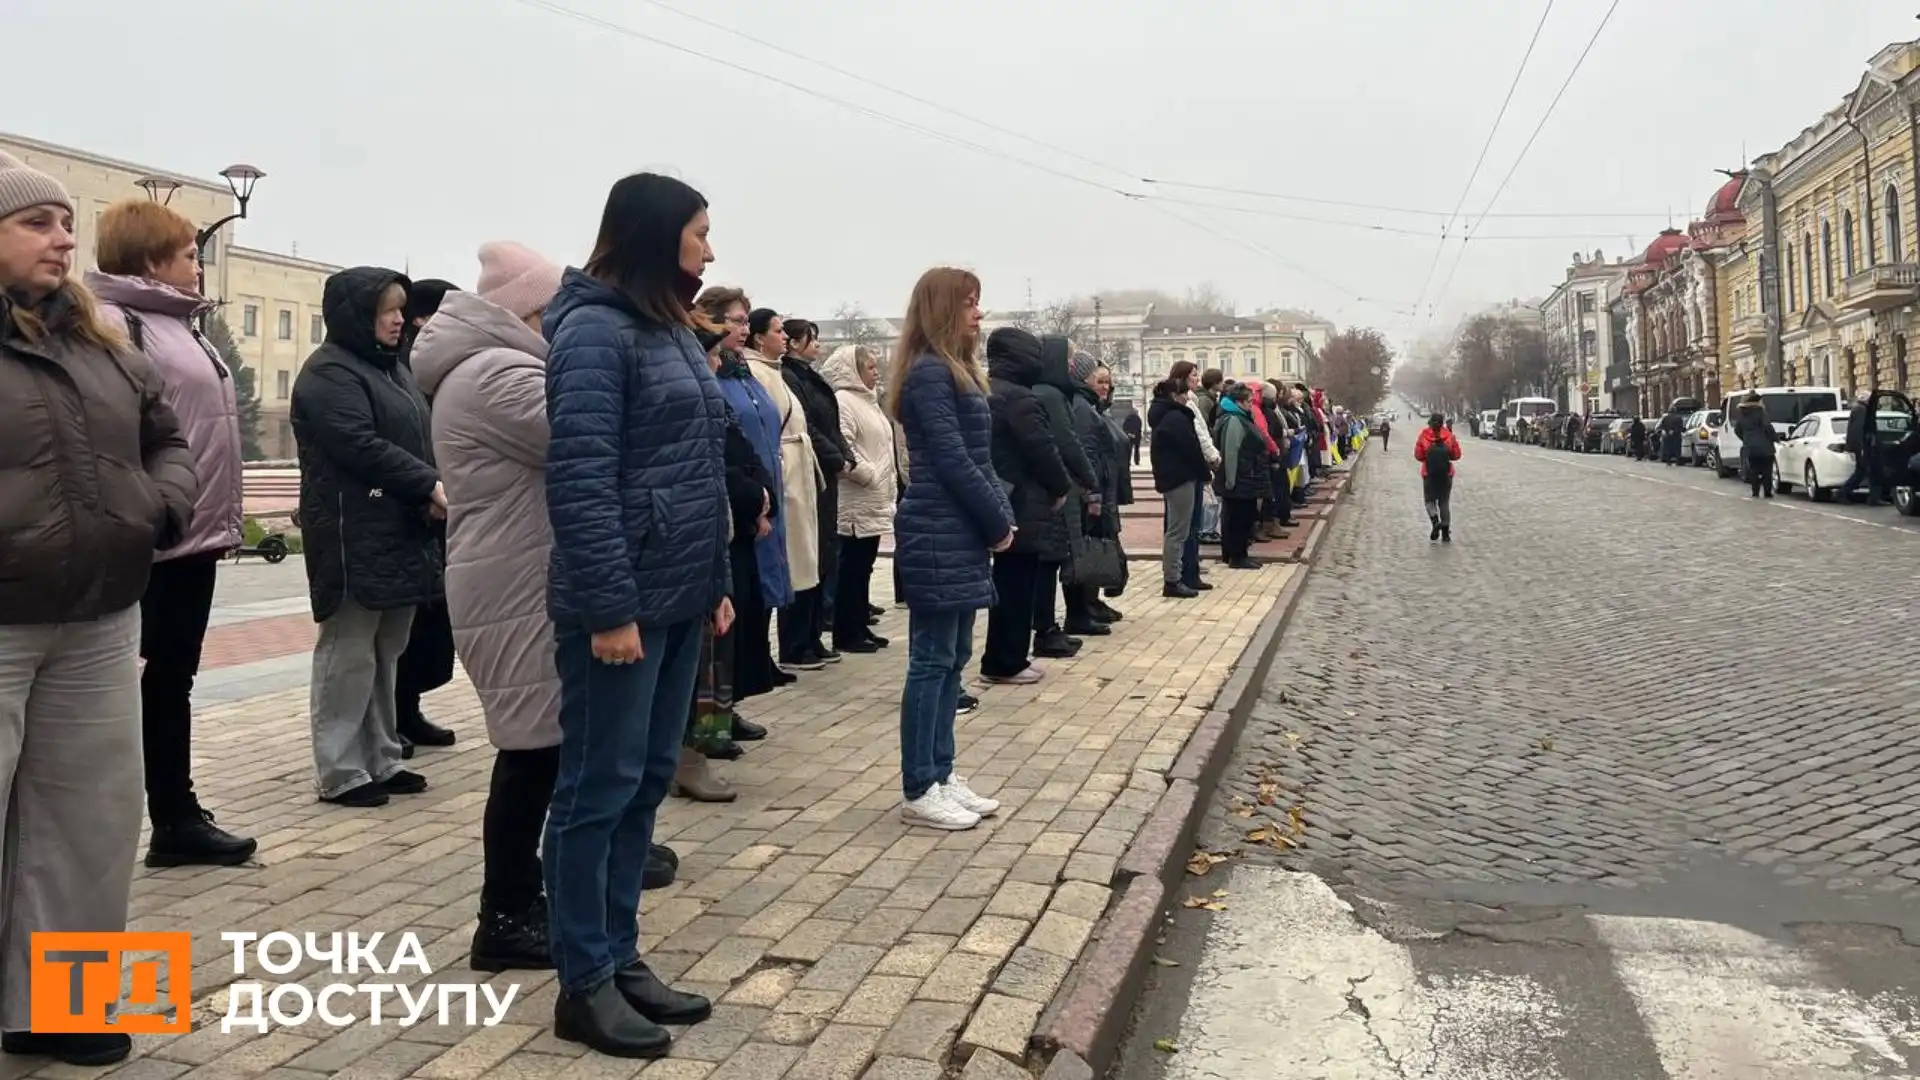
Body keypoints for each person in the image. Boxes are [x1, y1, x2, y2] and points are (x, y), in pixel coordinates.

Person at [0, 153, 197, 1068]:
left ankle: (69, 1007)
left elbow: (167, 438)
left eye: (66, 222)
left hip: (102, 612)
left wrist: (157, 507)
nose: (65, 239)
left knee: (93, 819)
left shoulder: (99, 337)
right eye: (38, 223)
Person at [540, 172, 728, 1057]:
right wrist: (611, 609)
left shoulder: (666, 328)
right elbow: (581, 482)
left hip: (679, 595)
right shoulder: (589, 333)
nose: (709, 249)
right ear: (657, 236)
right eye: (698, 233)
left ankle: (622, 956)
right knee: (596, 788)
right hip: (620, 610)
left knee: (646, 778)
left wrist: (715, 577)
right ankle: (583, 981)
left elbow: (698, 466)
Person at [410, 241, 571, 972]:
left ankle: (524, 897)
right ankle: (504, 915)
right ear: (531, 313)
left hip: (516, 574)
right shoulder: (498, 373)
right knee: (531, 751)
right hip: (512, 582)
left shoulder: (502, 366)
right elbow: (581, 437)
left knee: (543, 746)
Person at [86, 198, 255, 868]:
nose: (199, 265)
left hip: (195, 534)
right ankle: (126, 819)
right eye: (189, 254)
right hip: (150, 538)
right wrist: (147, 509)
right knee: (129, 681)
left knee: (170, 678)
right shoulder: (115, 322)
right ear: (152, 259)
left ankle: (176, 817)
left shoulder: (184, 327)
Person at [292, 267, 443, 807]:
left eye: (401, 307)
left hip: (396, 527)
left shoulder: (390, 369)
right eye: (387, 309)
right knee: (348, 649)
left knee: (386, 648)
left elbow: (417, 436)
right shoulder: (329, 373)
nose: (399, 318)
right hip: (350, 529)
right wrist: (427, 482)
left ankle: (380, 755)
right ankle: (339, 769)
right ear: (357, 315)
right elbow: (357, 444)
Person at [890, 268, 1009, 829]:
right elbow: (954, 458)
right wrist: (996, 520)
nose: (978, 314)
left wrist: (996, 517)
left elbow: (977, 460)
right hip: (939, 526)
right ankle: (920, 784)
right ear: (942, 309)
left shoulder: (953, 371)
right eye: (969, 304)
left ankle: (941, 771)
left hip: (957, 529)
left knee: (953, 661)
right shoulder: (930, 374)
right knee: (932, 660)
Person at [695, 287, 787, 733]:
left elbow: (751, 442)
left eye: (746, 321)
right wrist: (753, 497)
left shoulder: (742, 372)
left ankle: (728, 707)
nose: (743, 329)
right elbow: (718, 452)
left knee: (748, 608)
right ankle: (711, 722)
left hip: (753, 507)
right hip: (728, 512)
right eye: (734, 320)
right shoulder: (709, 376)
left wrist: (764, 494)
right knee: (723, 621)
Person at [394, 279, 462, 756]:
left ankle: (409, 708)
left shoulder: (435, 364)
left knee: (433, 618)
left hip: (440, 503)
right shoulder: (407, 366)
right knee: (411, 621)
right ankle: (396, 712)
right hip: (407, 506)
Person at [981, 327, 1069, 685]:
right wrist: (1060, 486)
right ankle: (1006, 661)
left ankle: (1005, 656)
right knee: (1018, 584)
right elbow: (1041, 447)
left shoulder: (990, 390)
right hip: (1022, 498)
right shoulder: (1019, 398)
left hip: (1005, 493)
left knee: (1009, 580)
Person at [746, 310, 829, 670]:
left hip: (798, 466)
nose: (784, 337)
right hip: (783, 469)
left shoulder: (776, 373)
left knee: (808, 553)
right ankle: (791, 644)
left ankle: (806, 638)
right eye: (777, 331)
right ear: (758, 337)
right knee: (791, 555)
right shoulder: (755, 373)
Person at [782, 318, 850, 649]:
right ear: (795, 343)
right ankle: (799, 639)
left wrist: (843, 452)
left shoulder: (811, 377)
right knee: (807, 552)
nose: (818, 345)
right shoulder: (788, 377)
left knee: (823, 552)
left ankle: (812, 634)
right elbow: (806, 424)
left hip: (824, 471)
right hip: (809, 470)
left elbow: (830, 423)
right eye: (812, 339)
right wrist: (835, 456)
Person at [823, 345, 896, 653]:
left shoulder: (869, 402)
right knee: (851, 569)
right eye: (869, 367)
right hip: (856, 499)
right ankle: (846, 632)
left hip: (874, 499)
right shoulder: (843, 401)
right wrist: (867, 473)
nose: (875, 372)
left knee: (863, 568)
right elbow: (844, 445)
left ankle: (859, 624)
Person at [1031, 335, 1098, 658]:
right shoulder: (1051, 395)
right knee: (1050, 560)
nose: (1073, 364)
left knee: (1050, 559)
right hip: (1056, 489)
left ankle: (1048, 626)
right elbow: (1067, 442)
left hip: (1052, 486)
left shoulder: (1046, 391)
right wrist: (1089, 478)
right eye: (1069, 358)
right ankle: (1045, 630)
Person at [1063, 352, 1121, 634]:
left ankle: (1089, 605)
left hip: (1098, 489)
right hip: (1089, 492)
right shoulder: (1083, 409)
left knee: (1094, 544)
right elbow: (1086, 453)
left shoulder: (1094, 407)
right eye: (1098, 380)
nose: (1105, 386)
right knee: (1087, 547)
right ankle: (1081, 610)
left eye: (1108, 382)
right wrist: (1093, 494)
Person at [1149, 370, 1212, 598]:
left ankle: (1176, 576)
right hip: (1180, 478)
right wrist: (1205, 473)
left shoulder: (1167, 416)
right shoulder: (1175, 418)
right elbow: (1191, 449)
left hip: (1174, 477)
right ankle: (1172, 579)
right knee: (1178, 531)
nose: (1188, 398)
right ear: (1175, 396)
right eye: (1185, 393)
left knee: (1179, 529)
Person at [1211, 383, 1267, 569]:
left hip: (1244, 477)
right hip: (1240, 478)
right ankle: (1237, 556)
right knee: (1238, 518)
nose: (1252, 405)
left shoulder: (1237, 416)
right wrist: (1231, 480)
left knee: (1236, 516)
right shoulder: (1234, 420)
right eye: (1249, 402)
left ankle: (1233, 554)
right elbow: (1231, 451)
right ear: (1239, 402)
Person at [1413, 413, 1462, 542]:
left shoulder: (1424, 435)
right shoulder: (1448, 435)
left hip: (1429, 473)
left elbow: (1418, 455)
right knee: (1444, 502)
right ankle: (1445, 532)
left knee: (1429, 501)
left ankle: (1435, 521)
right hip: (1446, 473)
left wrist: (1429, 458)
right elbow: (1456, 455)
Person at [1840, 391, 1890, 505]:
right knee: (1872, 471)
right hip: (1865, 447)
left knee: (1863, 472)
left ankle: (1871, 498)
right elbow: (1859, 430)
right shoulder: (1861, 410)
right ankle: (1872, 498)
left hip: (1866, 446)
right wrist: (1862, 447)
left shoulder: (1861, 409)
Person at [1732, 392, 1778, 498]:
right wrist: (1775, 438)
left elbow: (1737, 430)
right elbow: (1768, 427)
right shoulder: (1760, 413)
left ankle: (1755, 491)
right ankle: (1767, 492)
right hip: (1765, 448)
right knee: (1767, 470)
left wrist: (1746, 439)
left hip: (1751, 448)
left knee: (1754, 470)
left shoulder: (1742, 414)